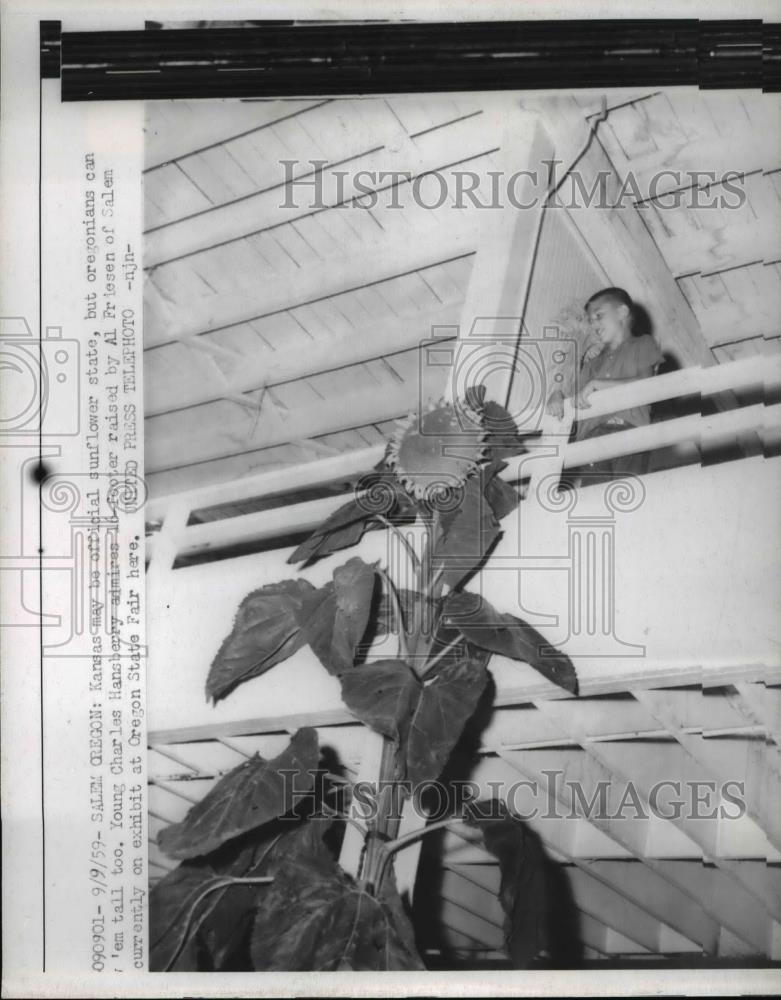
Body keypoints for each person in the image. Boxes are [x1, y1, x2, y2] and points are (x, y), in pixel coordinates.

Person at [546, 287, 664, 485]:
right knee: (596, 500)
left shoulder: (643, 344)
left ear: (622, 312)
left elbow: (647, 384)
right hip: (592, 439)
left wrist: (600, 385)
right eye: (591, 321)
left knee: (627, 497)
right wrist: (557, 396)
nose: (594, 325)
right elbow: (575, 399)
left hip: (630, 433)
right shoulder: (592, 364)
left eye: (599, 316)